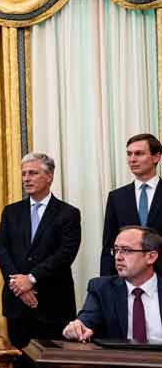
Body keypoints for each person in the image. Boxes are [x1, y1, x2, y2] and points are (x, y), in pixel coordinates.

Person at [0, 152, 82, 349]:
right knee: (18, 360)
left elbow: (65, 253)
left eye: (32, 173)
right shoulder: (11, 211)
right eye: (24, 173)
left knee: (51, 360)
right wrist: (18, 285)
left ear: (49, 176)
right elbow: (1, 249)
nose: (26, 178)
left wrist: (31, 279)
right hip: (17, 304)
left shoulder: (68, 213)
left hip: (52, 305)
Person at [63, 226, 162, 342]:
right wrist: (78, 327)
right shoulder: (102, 288)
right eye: (116, 250)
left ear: (151, 257)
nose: (118, 257)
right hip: (118, 354)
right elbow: (87, 320)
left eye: (126, 250)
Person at [101, 134, 162, 276]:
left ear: (156, 157)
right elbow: (109, 246)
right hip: (127, 278)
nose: (132, 159)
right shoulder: (117, 197)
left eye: (139, 154)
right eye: (129, 154)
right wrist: (107, 282)